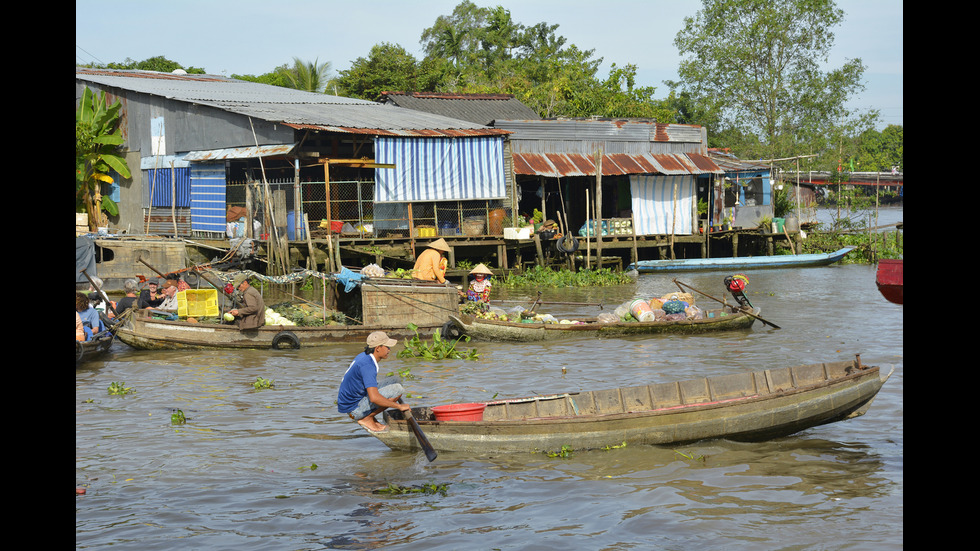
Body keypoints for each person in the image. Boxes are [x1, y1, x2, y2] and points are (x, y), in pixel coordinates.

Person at [336, 331, 411, 433]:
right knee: (398, 389)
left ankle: (370, 418)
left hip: (355, 401)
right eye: (387, 347)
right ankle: (367, 419)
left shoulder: (365, 356)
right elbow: (374, 398)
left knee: (395, 380)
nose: (389, 349)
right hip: (354, 409)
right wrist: (399, 406)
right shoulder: (368, 366)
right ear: (378, 348)